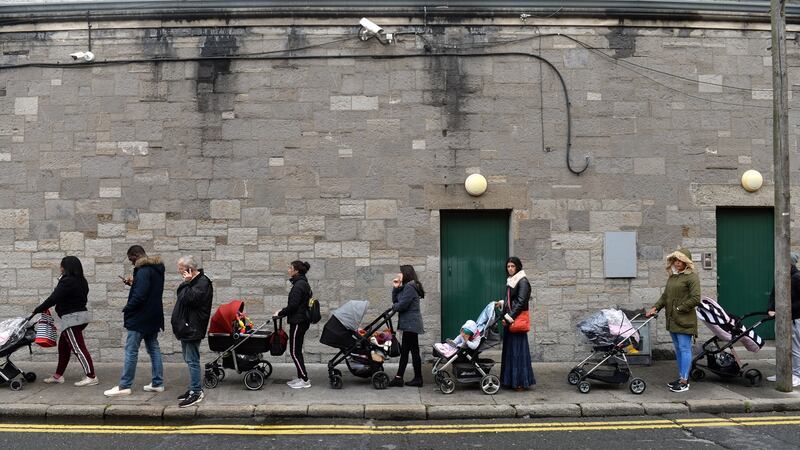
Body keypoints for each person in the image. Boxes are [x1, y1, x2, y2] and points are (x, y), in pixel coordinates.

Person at [104, 245, 166, 397]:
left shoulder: (144, 271)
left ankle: (124, 385)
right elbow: (149, 290)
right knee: (153, 348)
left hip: (140, 317)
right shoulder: (156, 269)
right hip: (153, 316)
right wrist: (134, 283)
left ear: (136, 255)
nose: (131, 262)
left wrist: (127, 308)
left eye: (131, 259)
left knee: (131, 351)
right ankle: (158, 383)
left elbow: (140, 296)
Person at [32, 256, 97, 387]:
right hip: (80, 316)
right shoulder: (81, 280)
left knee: (78, 348)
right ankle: (58, 376)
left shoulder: (67, 281)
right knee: (63, 347)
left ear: (66, 267)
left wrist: (38, 309)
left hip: (72, 319)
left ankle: (91, 376)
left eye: (61, 266)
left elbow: (53, 298)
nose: (60, 268)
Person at [646, 248, 701, 393]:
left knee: (684, 349)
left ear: (686, 262)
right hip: (672, 320)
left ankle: (685, 381)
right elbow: (665, 297)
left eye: (680, 261)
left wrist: (679, 309)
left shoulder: (691, 277)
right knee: (678, 350)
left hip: (685, 320)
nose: (677, 263)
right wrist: (655, 308)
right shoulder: (673, 277)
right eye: (675, 261)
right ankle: (681, 377)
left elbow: (696, 298)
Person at [171, 255, 213, 407]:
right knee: (189, 359)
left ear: (190, 269)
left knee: (193, 360)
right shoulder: (193, 282)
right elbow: (181, 295)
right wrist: (187, 283)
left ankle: (196, 391)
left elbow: (190, 299)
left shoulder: (203, 282)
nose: (179, 271)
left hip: (193, 327)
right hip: (186, 326)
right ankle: (192, 389)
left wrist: (187, 283)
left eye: (181, 268)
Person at [275, 260, 313, 389]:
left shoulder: (298, 286)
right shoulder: (302, 283)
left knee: (294, 351)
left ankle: (305, 379)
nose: (288, 269)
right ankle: (300, 377)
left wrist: (280, 312)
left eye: (290, 267)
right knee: (297, 350)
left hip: (298, 322)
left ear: (296, 270)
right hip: (301, 321)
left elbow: (293, 306)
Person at [500, 256, 535, 391]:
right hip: (511, 321)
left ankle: (520, 382)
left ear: (518, 267)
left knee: (518, 352)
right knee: (510, 351)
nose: (510, 269)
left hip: (516, 321)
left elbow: (521, 302)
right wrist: (502, 304)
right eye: (508, 266)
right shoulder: (512, 281)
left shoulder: (523, 281)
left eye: (512, 266)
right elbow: (512, 300)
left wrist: (508, 318)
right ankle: (509, 380)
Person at [388, 265, 425, 388]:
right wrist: (395, 287)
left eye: (400, 273)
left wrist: (394, 307)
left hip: (410, 324)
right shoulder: (407, 287)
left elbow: (401, 305)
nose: (399, 275)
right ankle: (414, 378)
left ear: (406, 273)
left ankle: (401, 378)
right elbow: (396, 301)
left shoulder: (409, 287)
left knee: (406, 351)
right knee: (412, 351)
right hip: (410, 323)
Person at [766, 252, 800, 386]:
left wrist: (784, 309)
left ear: (790, 263)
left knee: (795, 347)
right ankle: (782, 372)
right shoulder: (781, 276)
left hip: (795, 319)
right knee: (781, 346)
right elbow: (773, 295)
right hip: (780, 318)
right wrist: (770, 308)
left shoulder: (797, 278)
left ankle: (797, 374)